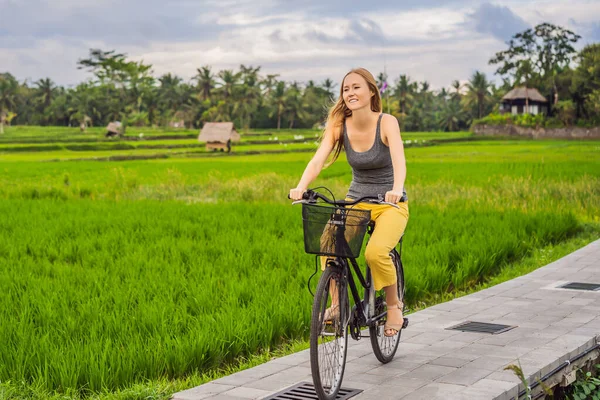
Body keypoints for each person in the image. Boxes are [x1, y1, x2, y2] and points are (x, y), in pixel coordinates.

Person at [289, 67, 409, 337]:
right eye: (346, 89)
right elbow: (319, 159)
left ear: (370, 91)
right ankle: (336, 306)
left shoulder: (387, 122)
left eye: (356, 87)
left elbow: (400, 160)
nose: (350, 93)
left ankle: (393, 305)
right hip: (357, 201)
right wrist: (301, 187)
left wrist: (396, 189)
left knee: (375, 253)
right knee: (329, 244)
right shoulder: (339, 125)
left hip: (391, 203)